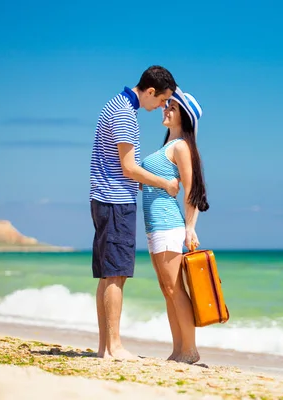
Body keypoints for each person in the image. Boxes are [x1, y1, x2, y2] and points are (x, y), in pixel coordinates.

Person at [89, 66, 179, 360]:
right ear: (150, 91)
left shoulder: (116, 104)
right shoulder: (125, 115)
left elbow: (121, 166)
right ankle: (114, 347)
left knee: (107, 275)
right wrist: (164, 182)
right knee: (116, 275)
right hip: (115, 202)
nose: (161, 108)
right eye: (162, 100)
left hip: (105, 199)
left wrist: (137, 182)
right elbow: (129, 168)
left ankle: (105, 347)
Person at [141, 87, 209, 363]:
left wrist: (190, 228)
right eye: (166, 105)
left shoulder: (180, 146)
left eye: (172, 107)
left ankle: (190, 350)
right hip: (155, 226)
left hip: (169, 226)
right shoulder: (166, 146)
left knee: (174, 288)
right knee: (167, 288)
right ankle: (178, 349)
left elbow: (191, 190)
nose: (165, 109)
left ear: (184, 117)